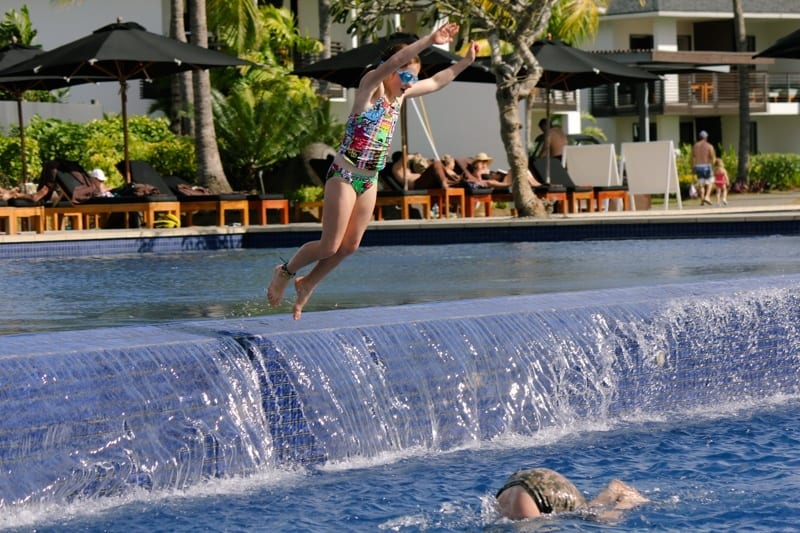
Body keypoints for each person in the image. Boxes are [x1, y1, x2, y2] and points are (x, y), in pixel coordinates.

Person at [267, 24, 479, 320]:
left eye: (413, 77)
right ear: (392, 72)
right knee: (329, 245)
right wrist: (430, 40)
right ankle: (286, 271)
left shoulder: (401, 97)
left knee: (350, 246)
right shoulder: (369, 88)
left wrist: (465, 61)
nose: (411, 82)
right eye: (406, 75)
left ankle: (308, 284)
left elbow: (437, 81)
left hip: (369, 179)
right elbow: (394, 61)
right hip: (344, 174)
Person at [495, 467, 648, 522]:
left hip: (536, 490)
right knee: (589, 514)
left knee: (603, 519)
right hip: (521, 483)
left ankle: (627, 499)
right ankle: (615, 490)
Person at [464, 152, 542, 190]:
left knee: (523, 170)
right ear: (476, 163)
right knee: (516, 170)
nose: (484, 164)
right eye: (482, 162)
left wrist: (496, 175)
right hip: (498, 184)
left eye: (485, 162)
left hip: (501, 181)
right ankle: (537, 185)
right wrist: (481, 173)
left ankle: (536, 184)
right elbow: (481, 183)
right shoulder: (476, 172)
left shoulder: (487, 170)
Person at [692, 130, 716, 206]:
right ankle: (707, 196)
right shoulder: (709, 146)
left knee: (701, 183)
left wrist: (693, 167)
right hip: (706, 166)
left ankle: (702, 200)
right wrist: (714, 166)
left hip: (698, 167)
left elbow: (692, 158)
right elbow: (713, 158)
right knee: (710, 182)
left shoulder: (695, 146)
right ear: (706, 137)